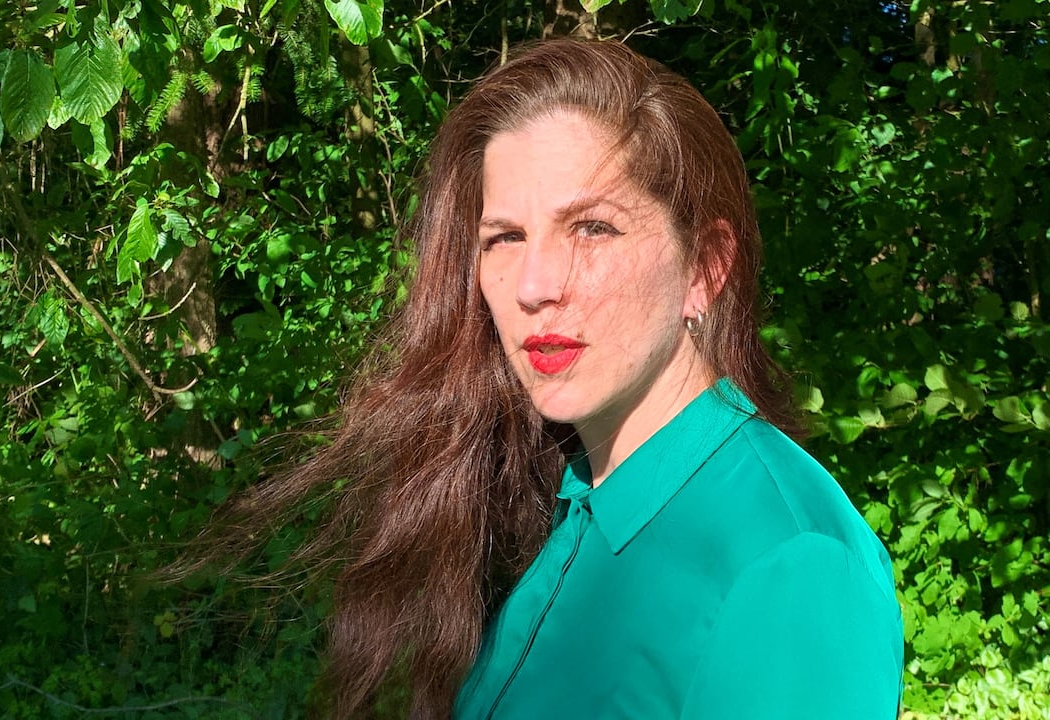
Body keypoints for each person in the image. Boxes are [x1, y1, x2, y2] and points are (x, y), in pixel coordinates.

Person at [199, 38, 903, 719]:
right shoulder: (580, 497)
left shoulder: (790, 565)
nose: (533, 286)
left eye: (592, 228)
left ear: (704, 269)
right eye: (504, 237)